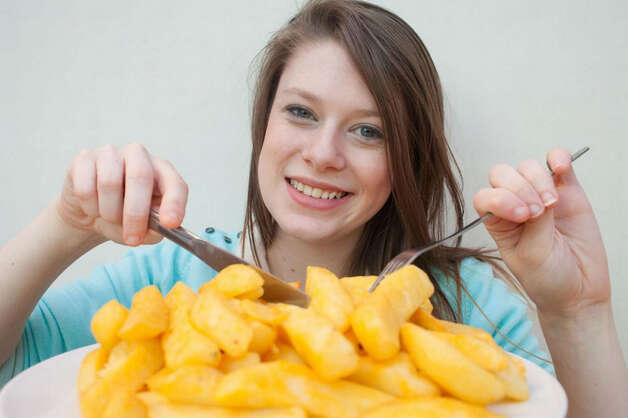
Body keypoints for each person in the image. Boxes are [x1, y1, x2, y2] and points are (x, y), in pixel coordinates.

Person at [1, 0, 626, 416]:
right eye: (300, 112)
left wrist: (579, 312)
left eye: (369, 131)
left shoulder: (472, 305)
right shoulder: (161, 286)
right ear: (263, 125)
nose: (324, 153)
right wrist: (64, 225)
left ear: (405, 161)